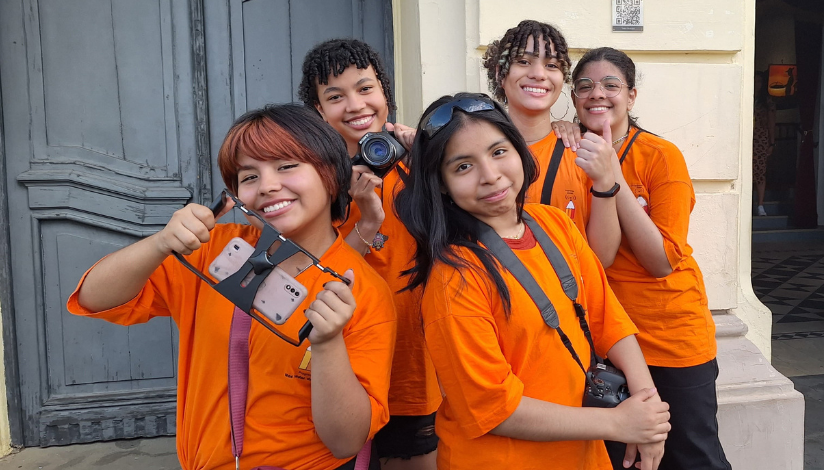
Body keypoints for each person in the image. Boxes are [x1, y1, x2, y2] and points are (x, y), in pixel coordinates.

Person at [67, 104, 397, 470]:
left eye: (287, 166)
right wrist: (161, 242)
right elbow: (93, 298)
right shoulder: (211, 249)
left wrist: (327, 344)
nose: (269, 186)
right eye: (249, 175)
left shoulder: (362, 291)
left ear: (331, 176)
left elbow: (346, 441)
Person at [395, 92, 670, 470]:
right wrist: (618, 423)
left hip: (582, 455)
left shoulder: (554, 224)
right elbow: (494, 408)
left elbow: (610, 322)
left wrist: (648, 409)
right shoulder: (455, 277)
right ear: (441, 183)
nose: (490, 176)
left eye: (498, 152)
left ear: (519, 151)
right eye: (462, 166)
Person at [570, 47, 732, 470]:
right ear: (572, 99)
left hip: (670, 336)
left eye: (611, 85)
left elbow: (661, 259)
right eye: (584, 86)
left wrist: (612, 176)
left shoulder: (660, 156)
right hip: (605, 341)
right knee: (622, 459)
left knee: (691, 456)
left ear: (632, 95)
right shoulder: (568, 153)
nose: (596, 94)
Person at [299, 39, 441, 469]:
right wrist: (366, 224)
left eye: (365, 89)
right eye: (335, 96)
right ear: (319, 110)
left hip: (411, 360)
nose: (355, 105)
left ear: (385, 95)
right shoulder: (311, 179)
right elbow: (315, 275)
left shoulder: (420, 162)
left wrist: (431, 158)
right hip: (338, 362)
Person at [482, 20, 621, 267]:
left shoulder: (582, 152)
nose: (538, 74)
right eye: (524, 62)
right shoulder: (475, 153)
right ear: (500, 74)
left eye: (552, 65)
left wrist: (604, 181)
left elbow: (602, 257)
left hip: (568, 300)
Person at [753, 70, 776, 216]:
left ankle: (760, 204)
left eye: (759, 81)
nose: (757, 85)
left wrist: (771, 143)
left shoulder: (767, 101)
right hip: (746, 137)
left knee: (760, 171)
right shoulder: (745, 97)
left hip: (760, 138)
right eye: (755, 81)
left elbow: (771, 122)